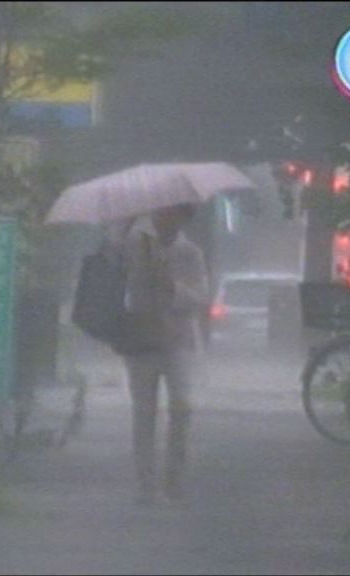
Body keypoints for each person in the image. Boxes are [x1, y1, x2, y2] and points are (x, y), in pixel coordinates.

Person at [118, 203, 210, 504]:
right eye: (159, 212)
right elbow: (114, 264)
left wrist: (174, 288)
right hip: (142, 340)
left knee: (182, 406)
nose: (163, 219)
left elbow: (200, 296)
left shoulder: (190, 253)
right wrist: (125, 226)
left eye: (171, 213)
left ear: (183, 217)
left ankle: (174, 479)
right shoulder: (136, 245)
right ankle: (146, 484)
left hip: (178, 341)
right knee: (144, 412)